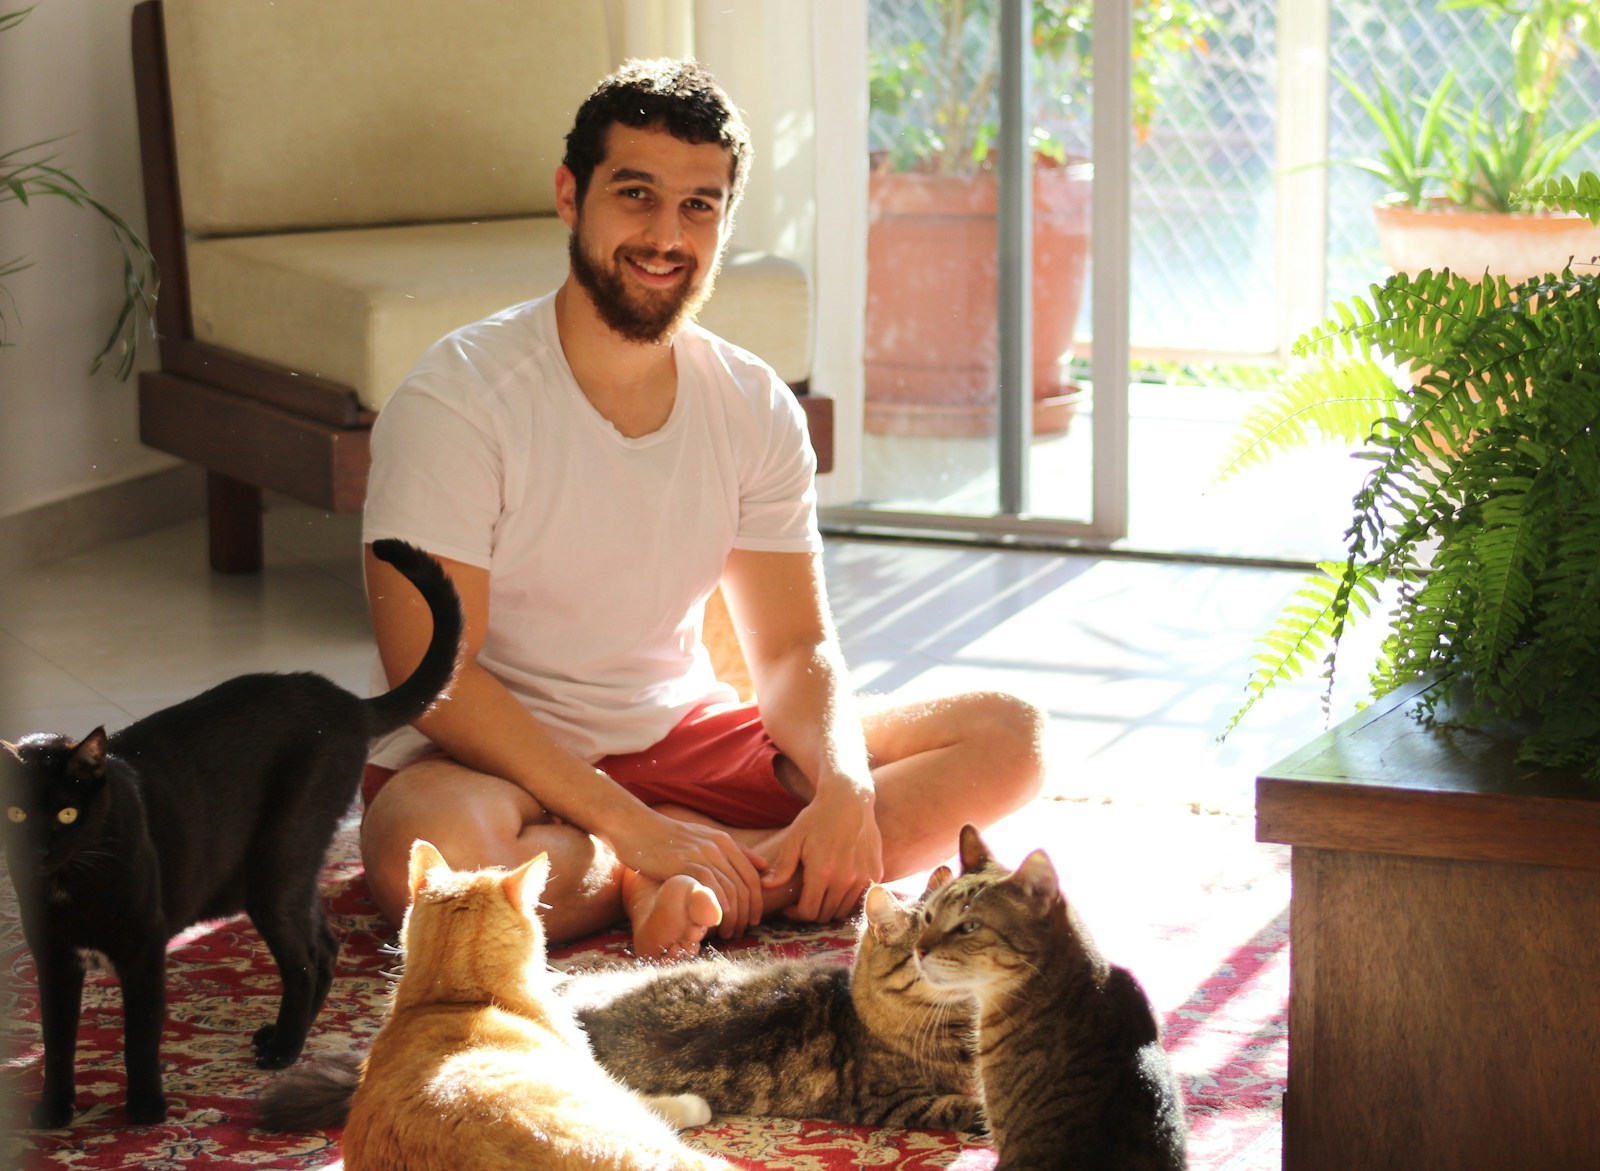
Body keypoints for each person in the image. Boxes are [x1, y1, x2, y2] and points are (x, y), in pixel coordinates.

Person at [359, 58, 1045, 959]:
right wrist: (634, 826)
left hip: (680, 734)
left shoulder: (754, 403)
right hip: (497, 760)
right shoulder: (456, 397)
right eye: (635, 194)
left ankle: (687, 872)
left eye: (698, 206)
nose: (665, 234)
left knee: (1010, 736)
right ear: (570, 195)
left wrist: (845, 787)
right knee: (438, 859)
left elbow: (792, 648)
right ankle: (679, 867)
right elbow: (436, 674)